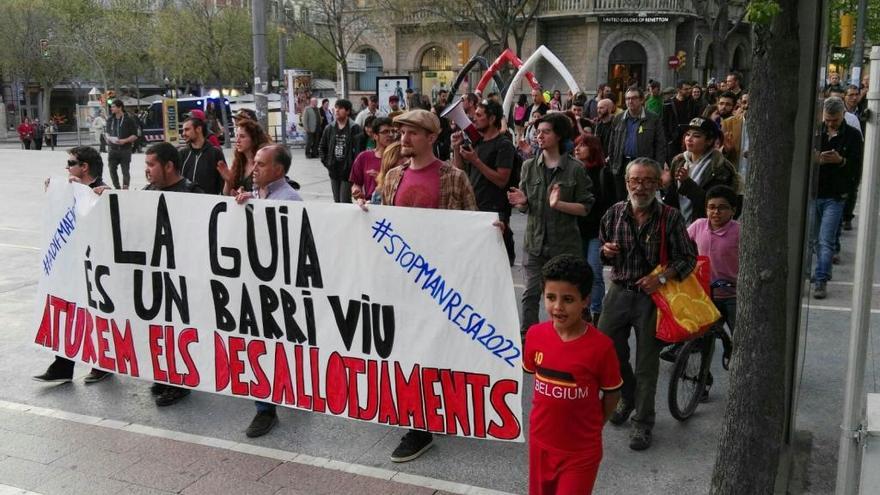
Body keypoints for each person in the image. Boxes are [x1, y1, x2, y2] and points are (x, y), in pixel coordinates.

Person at [370, 109, 476, 462]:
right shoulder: (393, 177)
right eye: (401, 132)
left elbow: (471, 229)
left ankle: (424, 423)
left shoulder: (455, 178)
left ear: (431, 138)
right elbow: (384, 225)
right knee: (409, 351)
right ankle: (421, 419)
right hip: (402, 283)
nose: (403, 138)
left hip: (440, 282)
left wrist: (489, 235)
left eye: (412, 133)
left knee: (435, 351)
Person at [598, 157, 697, 451]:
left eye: (647, 181)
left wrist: (663, 278)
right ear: (627, 183)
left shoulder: (671, 217)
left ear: (658, 183)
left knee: (646, 364)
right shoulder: (615, 213)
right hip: (618, 290)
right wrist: (606, 251)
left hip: (652, 297)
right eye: (634, 181)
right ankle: (627, 396)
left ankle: (643, 422)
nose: (640, 187)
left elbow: (688, 258)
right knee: (608, 352)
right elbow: (602, 249)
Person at [523, 254, 622, 495]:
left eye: (568, 299)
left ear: (585, 300)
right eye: (551, 297)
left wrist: (596, 424)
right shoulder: (535, 335)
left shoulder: (601, 347)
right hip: (540, 444)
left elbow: (612, 394)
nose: (557, 307)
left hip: (580, 452)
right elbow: (535, 376)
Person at [234, 144, 303, 437]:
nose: (254, 169)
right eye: (254, 163)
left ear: (279, 170)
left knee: (273, 345)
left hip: (279, 289)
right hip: (256, 285)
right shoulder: (256, 196)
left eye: (261, 164)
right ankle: (266, 405)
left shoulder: (289, 200)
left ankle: (267, 410)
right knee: (260, 345)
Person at [507, 112, 595, 339]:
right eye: (538, 132)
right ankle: (529, 339)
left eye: (545, 132)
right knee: (530, 294)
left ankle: (574, 338)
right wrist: (523, 203)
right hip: (535, 244)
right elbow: (525, 206)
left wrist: (559, 204)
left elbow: (585, 208)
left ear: (558, 136)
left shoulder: (575, 169)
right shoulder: (528, 166)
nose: (539, 136)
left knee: (567, 297)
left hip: (565, 246)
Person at [33, 146, 111, 384]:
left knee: (96, 315)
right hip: (71, 265)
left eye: (70, 163)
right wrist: (56, 193)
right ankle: (63, 365)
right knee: (67, 311)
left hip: (96, 268)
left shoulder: (102, 190)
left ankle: (103, 363)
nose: (67, 168)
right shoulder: (71, 190)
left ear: (84, 167)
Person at [452, 99, 518, 265]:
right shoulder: (476, 142)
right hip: (475, 209)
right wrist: (456, 149)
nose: (474, 119)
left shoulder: (504, 145)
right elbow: (459, 171)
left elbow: (502, 180)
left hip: (495, 211)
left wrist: (476, 161)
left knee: (495, 264)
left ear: (492, 119)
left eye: (479, 115)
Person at [811, 97, 862, 299]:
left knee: (826, 239)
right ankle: (822, 271)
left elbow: (857, 166)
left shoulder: (853, 135)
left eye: (835, 120)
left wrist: (841, 161)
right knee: (814, 238)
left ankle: (821, 279)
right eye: (828, 120)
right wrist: (816, 158)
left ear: (843, 116)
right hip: (815, 193)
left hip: (836, 195)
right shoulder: (816, 131)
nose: (831, 124)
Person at [662, 117, 740, 224]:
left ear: (709, 141)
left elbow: (713, 204)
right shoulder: (679, 162)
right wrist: (665, 185)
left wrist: (687, 183)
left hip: (704, 227)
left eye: (696, 136)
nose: (689, 139)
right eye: (688, 134)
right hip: (679, 225)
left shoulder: (719, 167)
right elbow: (672, 201)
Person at [573, 134, 615, 323]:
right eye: (576, 145)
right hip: (576, 230)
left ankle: (596, 312)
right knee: (579, 273)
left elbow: (612, 204)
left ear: (593, 149)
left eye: (582, 145)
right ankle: (583, 310)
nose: (577, 149)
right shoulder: (574, 171)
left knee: (594, 272)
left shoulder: (603, 173)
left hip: (597, 231)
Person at [607, 87, 667, 202]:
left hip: (644, 166)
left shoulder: (653, 118)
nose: (630, 101)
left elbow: (660, 145)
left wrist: (658, 168)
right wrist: (612, 163)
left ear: (642, 100)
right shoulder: (618, 119)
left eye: (634, 98)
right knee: (622, 199)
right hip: (622, 165)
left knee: (642, 198)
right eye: (627, 99)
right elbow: (612, 144)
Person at [319, 99, 363, 203]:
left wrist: (353, 167)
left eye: (340, 108)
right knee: (337, 201)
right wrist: (327, 163)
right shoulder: (329, 128)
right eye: (336, 107)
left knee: (344, 200)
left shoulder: (354, 128)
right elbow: (322, 147)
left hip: (347, 172)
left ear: (347, 111)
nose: (337, 110)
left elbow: (359, 151)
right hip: (333, 170)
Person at [350, 117, 395, 202]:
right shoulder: (363, 157)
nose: (390, 134)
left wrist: (381, 179)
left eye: (393, 131)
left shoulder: (400, 159)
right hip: (371, 206)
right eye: (385, 132)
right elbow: (356, 184)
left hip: (394, 207)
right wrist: (357, 193)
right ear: (375, 136)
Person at [221, 119, 271, 195]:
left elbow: (269, 192)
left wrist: (248, 195)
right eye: (236, 136)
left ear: (254, 139)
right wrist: (228, 182)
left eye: (242, 136)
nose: (237, 140)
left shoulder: (264, 162)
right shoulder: (238, 162)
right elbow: (226, 194)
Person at [179, 117, 227, 195]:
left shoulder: (215, 153)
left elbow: (223, 182)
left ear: (198, 129)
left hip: (208, 203)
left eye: (187, 130)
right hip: (185, 202)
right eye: (183, 130)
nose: (183, 134)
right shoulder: (182, 153)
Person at [662, 81, 699, 164]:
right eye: (686, 89)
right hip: (673, 140)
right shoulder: (668, 103)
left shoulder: (693, 104)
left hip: (688, 139)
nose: (689, 91)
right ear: (679, 90)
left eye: (690, 88)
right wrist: (668, 139)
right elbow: (664, 123)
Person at [105, 100, 139, 190]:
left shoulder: (129, 119)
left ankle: (125, 188)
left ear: (120, 107)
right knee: (112, 170)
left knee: (125, 171)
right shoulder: (110, 119)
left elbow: (135, 135)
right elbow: (107, 132)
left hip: (125, 150)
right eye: (111, 107)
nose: (111, 109)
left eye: (113, 107)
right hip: (113, 149)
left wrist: (125, 140)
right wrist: (108, 138)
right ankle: (117, 188)